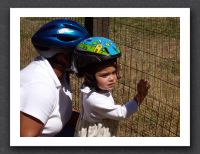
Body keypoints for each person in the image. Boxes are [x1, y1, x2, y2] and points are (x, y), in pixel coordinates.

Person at [20, 19, 90, 137]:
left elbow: (55, 112)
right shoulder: (40, 88)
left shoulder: (59, 74)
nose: (84, 59)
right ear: (63, 57)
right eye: (79, 54)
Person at [72, 37, 150, 137]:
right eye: (104, 75)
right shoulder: (94, 99)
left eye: (114, 72)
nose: (112, 78)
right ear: (89, 76)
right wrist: (140, 96)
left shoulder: (92, 88)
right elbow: (121, 113)